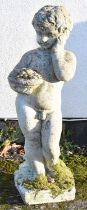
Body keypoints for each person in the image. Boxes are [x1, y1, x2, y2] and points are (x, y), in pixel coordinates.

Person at [8, 5, 76, 180]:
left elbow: (64, 74)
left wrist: (57, 51)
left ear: (61, 34)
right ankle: (38, 174)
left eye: (49, 34)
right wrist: (25, 82)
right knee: (32, 140)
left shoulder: (67, 57)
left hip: (52, 110)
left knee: (52, 148)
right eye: (39, 33)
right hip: (27, 104)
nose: (42, 39)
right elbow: (13, 78)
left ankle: (53, 167)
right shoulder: (30, 56)